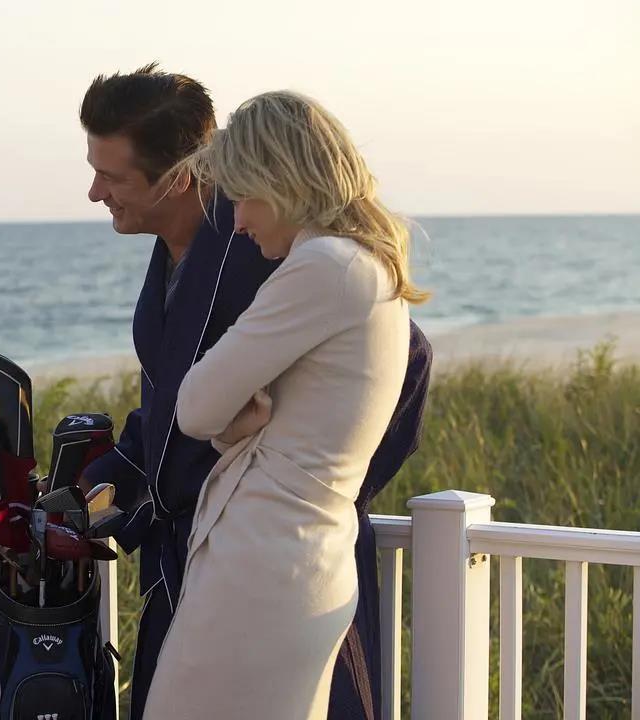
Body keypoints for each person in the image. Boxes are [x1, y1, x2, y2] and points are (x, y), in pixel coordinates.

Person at [78, 65, 432, 720]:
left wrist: (318, 488)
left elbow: (408, 362)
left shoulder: (272, 251)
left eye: (113, 176)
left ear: (178, 176)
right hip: (198, 554)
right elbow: (165, 408)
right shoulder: (182, 257)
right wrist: (106, 481)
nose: (95, 191)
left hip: (274, 556)